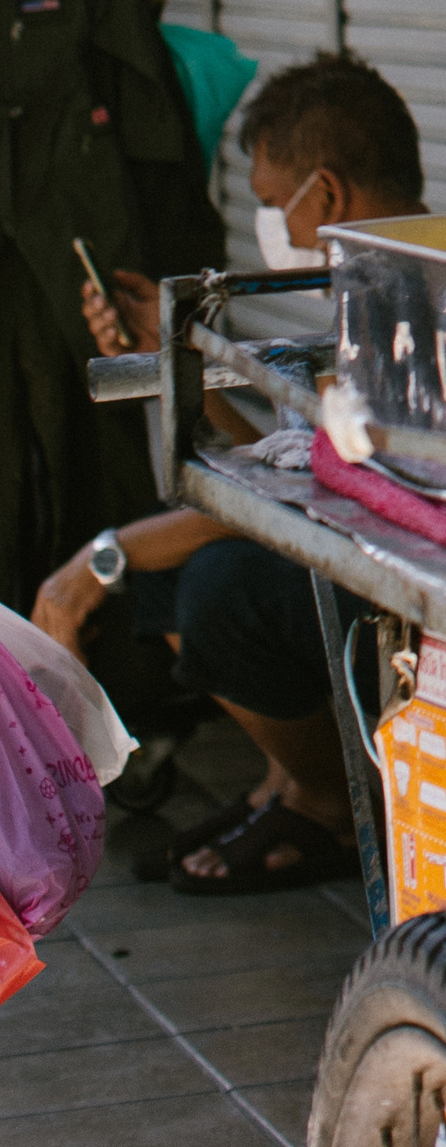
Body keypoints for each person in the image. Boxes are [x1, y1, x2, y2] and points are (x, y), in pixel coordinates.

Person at [34, 51, 425, 896]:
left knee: (214, 589)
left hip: (409, 593)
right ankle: (290, 785)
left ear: (324, 193)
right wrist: (161, 358)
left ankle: (326, 799)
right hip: (354, 545)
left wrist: (99, 560)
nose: (266, 223)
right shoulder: (368, 282)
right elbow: (281, 458)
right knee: (172, 570)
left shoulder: (412, 300)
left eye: (269, 203)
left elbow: (307, 492)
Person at [0, 0, 224, 617]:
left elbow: (161, 157)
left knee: (100, 459)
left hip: (84, 282)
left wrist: (173, 293)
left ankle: (116, 689)